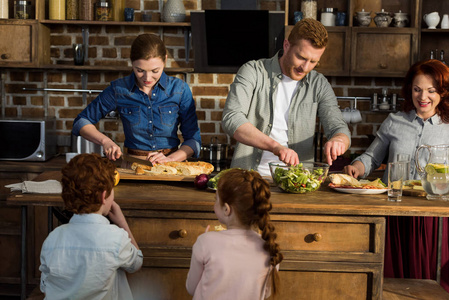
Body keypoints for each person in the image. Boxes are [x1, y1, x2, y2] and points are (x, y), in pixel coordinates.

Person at [343, 59, 449, 291]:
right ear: (409, 89)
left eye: (431, 91)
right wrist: (357, 168)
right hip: (392, 209)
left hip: (432, 217)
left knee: (430, 284)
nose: (423, 97)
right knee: (391, 284)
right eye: (417, 89)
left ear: (442, 92)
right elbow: (371, 157)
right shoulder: (394, 122)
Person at [221, 18, 351, 176]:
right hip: (248, 178)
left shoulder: (319, 84)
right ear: (286, 45)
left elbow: (339, 127)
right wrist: (275, 147)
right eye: (301, 57)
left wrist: (339, 140)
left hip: (298, 182)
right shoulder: (253, 71)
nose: (305, 67)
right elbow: (231, 118)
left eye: (313, 62)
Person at [72, 33, 201, 164]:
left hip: (172, 164)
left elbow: (193, 140)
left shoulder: (180, 89)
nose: (147, 78)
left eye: (155, 71)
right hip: (132, 165)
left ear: (165, 60)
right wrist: (105, 141)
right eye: (140, 70)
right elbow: (81, 122)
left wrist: (170, 159)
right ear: (132, 63)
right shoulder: (119, 89)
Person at [39, 153, 143, 299]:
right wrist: (122, 223)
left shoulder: (52, 238)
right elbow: (136, 263)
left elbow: (45, 286)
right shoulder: (115, 238)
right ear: (103, 196)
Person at [186, 169, 283, 299]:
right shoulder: (270, 247)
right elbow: (266, 293)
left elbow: (191, 288)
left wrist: (206, 239)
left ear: (226, 209)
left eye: (216, 200)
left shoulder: (205, 242)